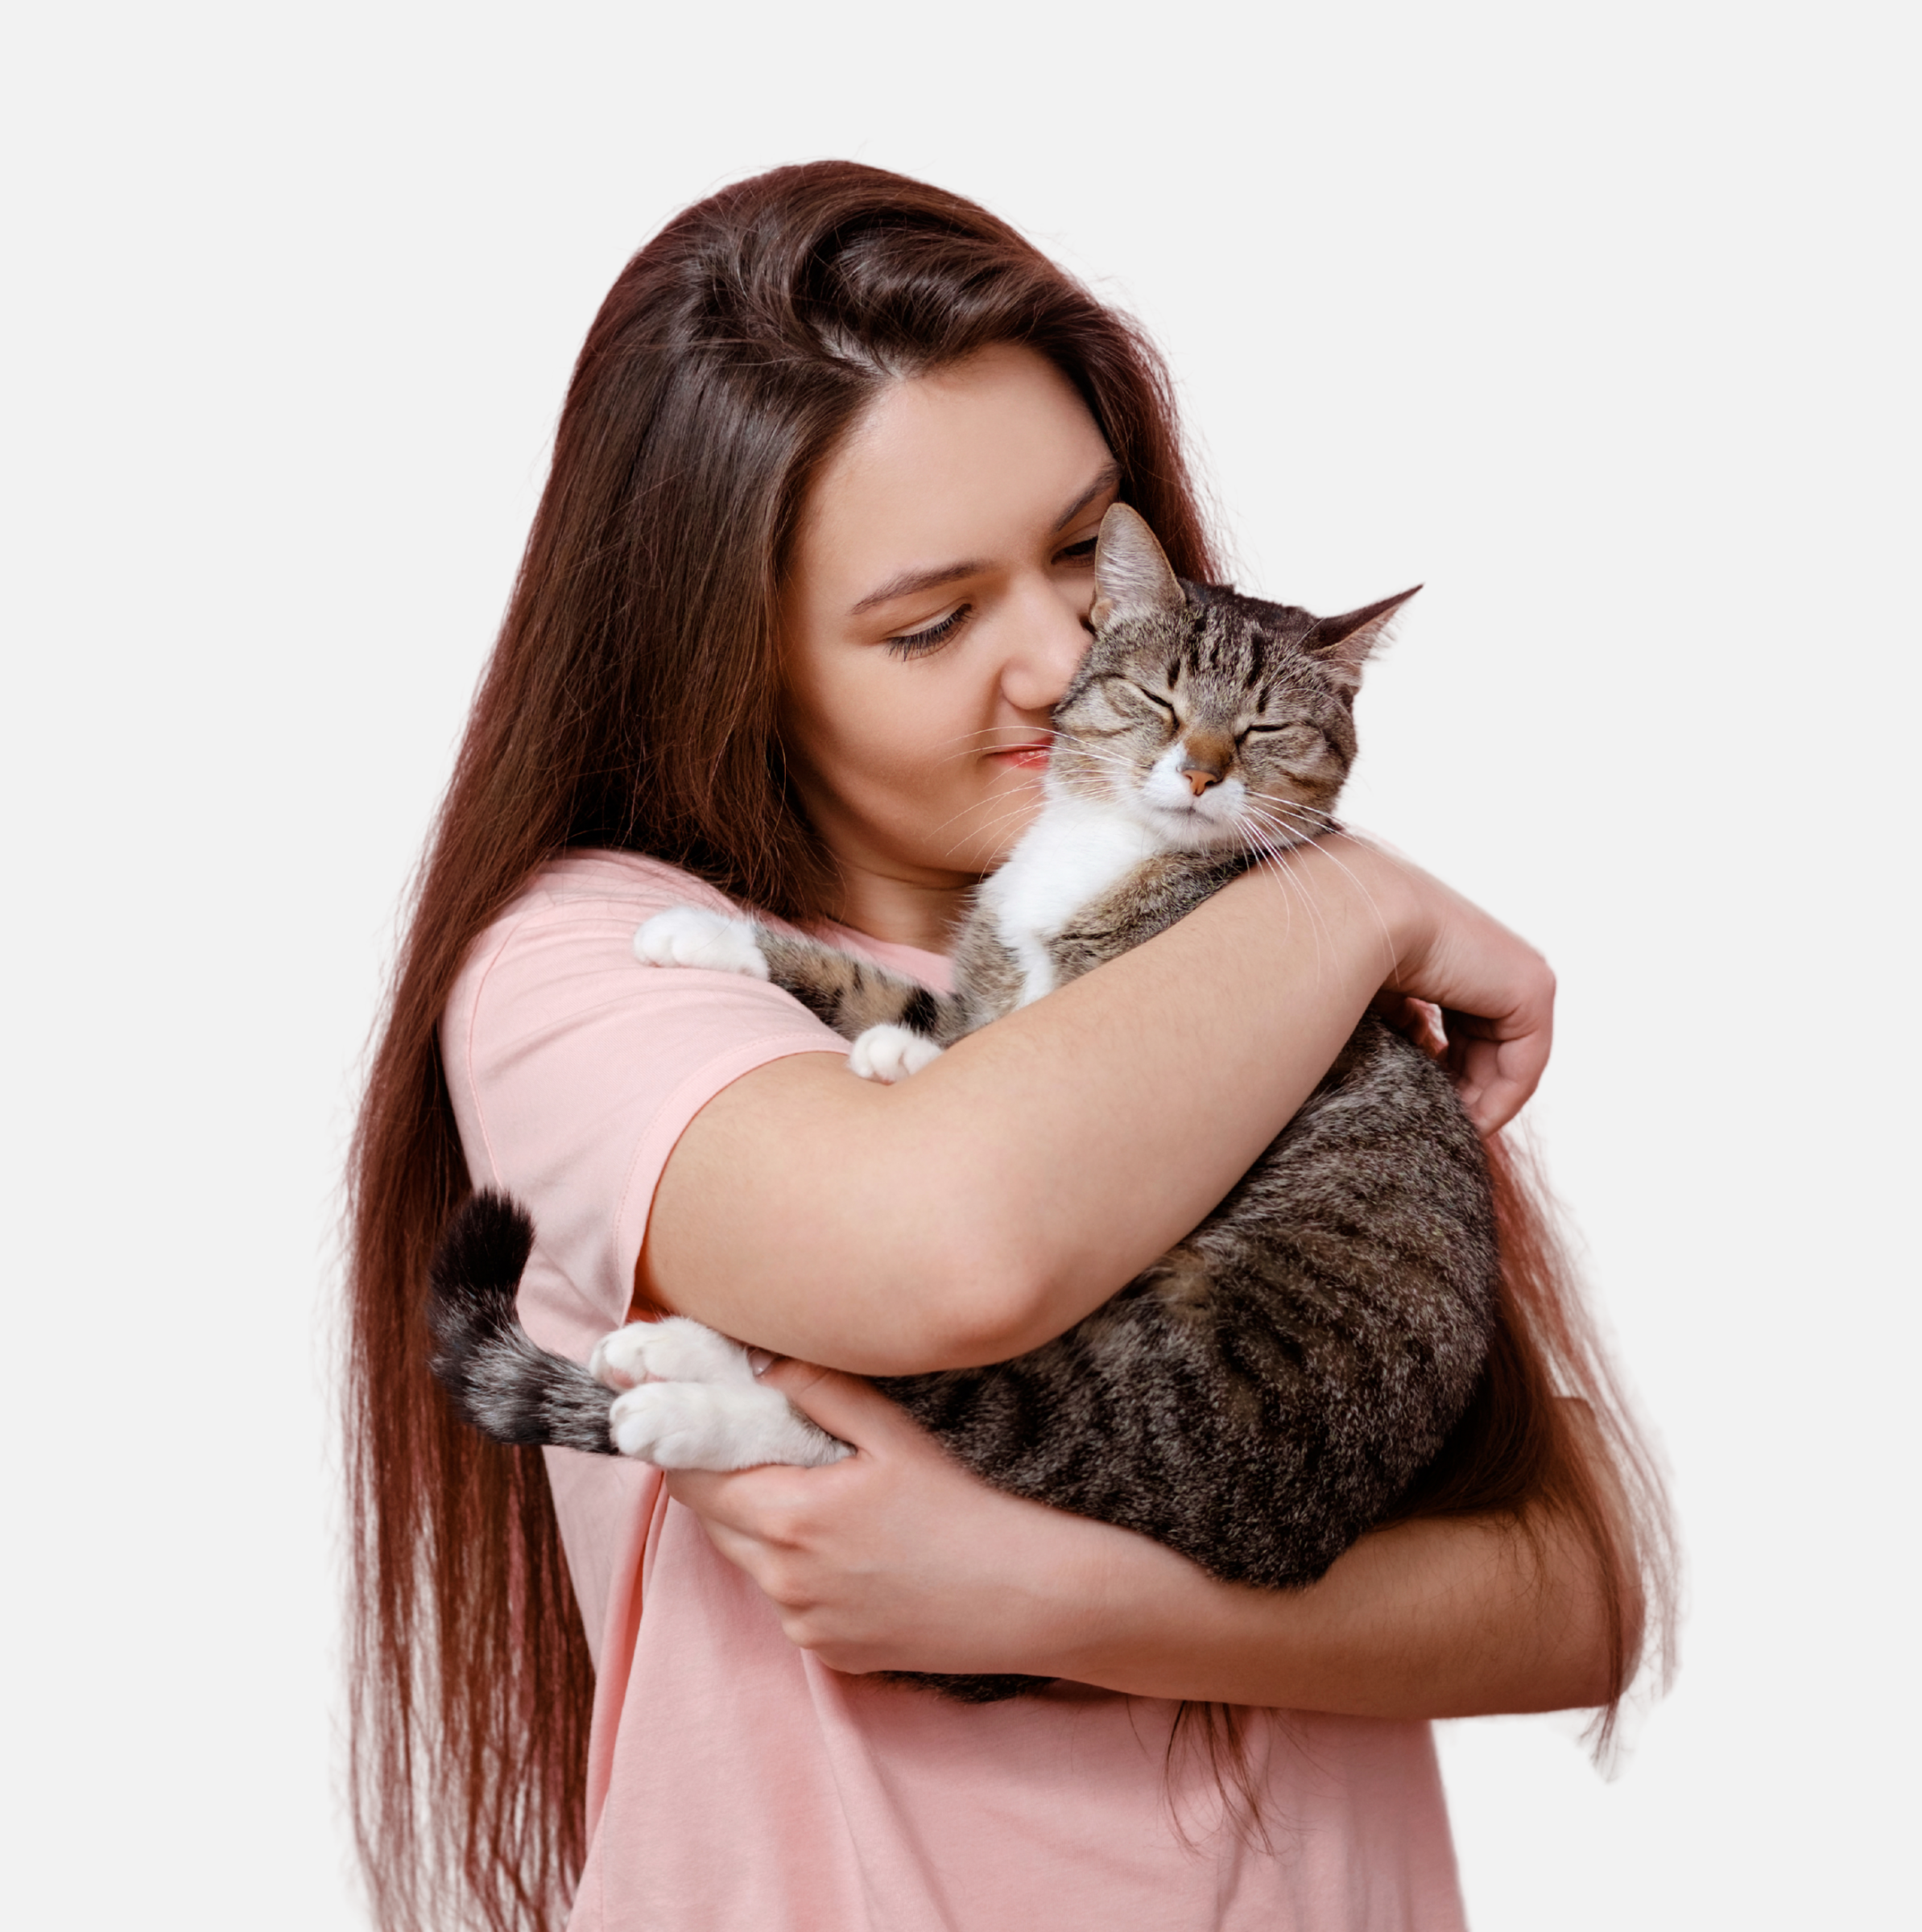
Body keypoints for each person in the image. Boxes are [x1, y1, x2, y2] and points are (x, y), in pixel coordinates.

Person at [344, 160, 1672, 1932]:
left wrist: (1051, 1597)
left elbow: (1575, 1583)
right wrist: (1355, 907)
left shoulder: (1236, 935)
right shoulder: (592, 967)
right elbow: (948, 1249)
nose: (1064, 655)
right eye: (933, 620)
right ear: (731, 662)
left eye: (1082, 550)